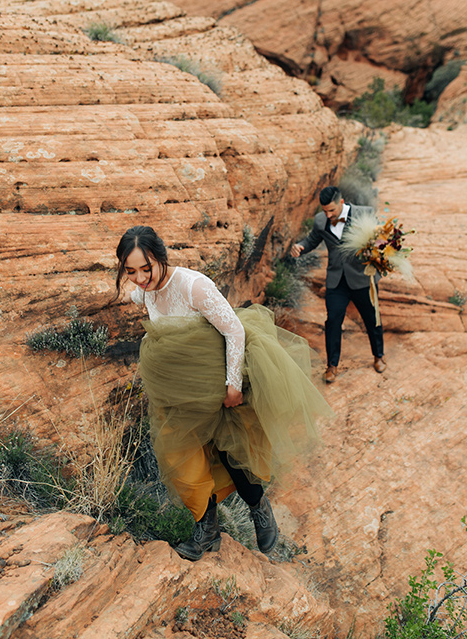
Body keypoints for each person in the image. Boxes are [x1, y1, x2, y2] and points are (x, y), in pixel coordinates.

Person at [114, 225, 332, 561]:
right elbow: (139, 295)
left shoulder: (194, 285)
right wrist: (132, 291)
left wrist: (232, 385)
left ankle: (259, 507)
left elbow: (233, 329)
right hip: (179, 390)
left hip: (218, 379)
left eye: (146, 268)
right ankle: (207, 529)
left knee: (231, 453)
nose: (140, 278)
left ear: (160, 258)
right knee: (180, 455)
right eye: (130, 271)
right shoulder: (145, 290)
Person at [291, 186, 386, 383]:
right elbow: (312, 240)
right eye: (325, 211)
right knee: (333, 320)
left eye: (332, 210)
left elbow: (381, 240)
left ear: (341, 203)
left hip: (361, 278)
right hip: (336, 280)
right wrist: (301, 246)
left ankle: (378, 356)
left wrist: (375, 251)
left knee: (371, 318)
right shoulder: (320, 220)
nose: (328, 214)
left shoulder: (365, 213)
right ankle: (332, 366)